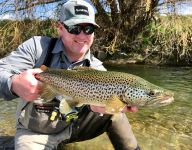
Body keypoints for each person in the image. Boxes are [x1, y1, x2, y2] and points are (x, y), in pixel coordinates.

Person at [0, 0, 141, 149]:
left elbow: (99, 107)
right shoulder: (37, 48)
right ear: (60, 28)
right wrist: (13, 83)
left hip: (74, 127)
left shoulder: (97, 68)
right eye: (74, 28)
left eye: (88, 28)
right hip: (36, 133)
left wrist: (97, 107)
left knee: (115, 112)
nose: (82, 36)